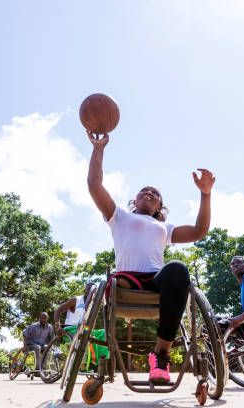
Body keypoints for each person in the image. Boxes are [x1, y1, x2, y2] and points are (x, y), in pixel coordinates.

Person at [86, 130, 215, 383]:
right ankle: (120, 286)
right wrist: (98, 148)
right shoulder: (119, 216)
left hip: (157, 283)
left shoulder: (164, 228)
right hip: (126, 281)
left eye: (155, 194)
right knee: (118, 281)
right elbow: (94, 185)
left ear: (159, 207)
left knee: (177, 268)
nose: (149, 193)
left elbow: (200, 231)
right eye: (144, 190)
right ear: (134, 200)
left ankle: (160, 354)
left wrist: (205, 194)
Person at [53, 284, 108, 371]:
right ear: (84, 291)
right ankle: (92, 364)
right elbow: (57, 310)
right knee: (87, 334)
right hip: (70, 329)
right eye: (89, 289)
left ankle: (102, 363)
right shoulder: (76, 300)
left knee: (104, 333)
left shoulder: (94, 305)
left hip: (84, 329)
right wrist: (57, 326)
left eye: (93, 291)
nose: (91, 292)